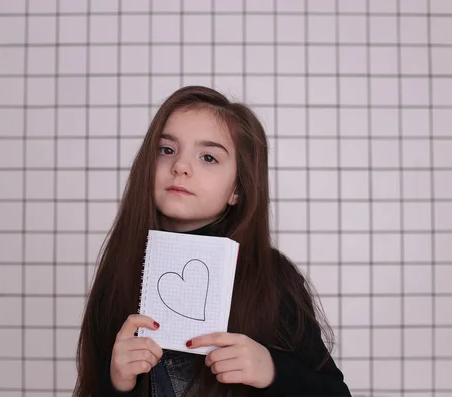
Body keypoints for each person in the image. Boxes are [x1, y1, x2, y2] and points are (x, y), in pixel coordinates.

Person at [73, 86, 352, 397]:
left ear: (238, 190)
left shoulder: (271, 278)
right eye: (166, 150)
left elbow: (335, 392)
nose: (180, 166)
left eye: (208, 157)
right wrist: (116, 385)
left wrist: (272, 371)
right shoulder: (122, 272)